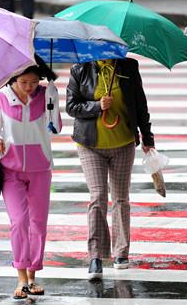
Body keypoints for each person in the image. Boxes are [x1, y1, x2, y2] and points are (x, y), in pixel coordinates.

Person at [66, 58, 154, 280]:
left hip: (123, 144)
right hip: (90, 145)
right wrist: (97, 106)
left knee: (121, 199)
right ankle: (96, 256)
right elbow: (71, 106)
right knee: (98, 197)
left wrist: (147, 136)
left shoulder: (128, 67)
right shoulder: (80, 69)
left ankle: (121, 252)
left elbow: (140, 103)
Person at [0, 62, 60, 299]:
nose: (29, 87)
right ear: (13, 80)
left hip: (41, 168)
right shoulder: (1, 96)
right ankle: (21, 279)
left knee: (38, 223)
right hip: (11, 169)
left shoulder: (45, 94)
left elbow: (56, 128)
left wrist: (52, 99)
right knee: (19, 221)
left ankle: (32, 276)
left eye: (33, 82)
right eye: (23, 82)